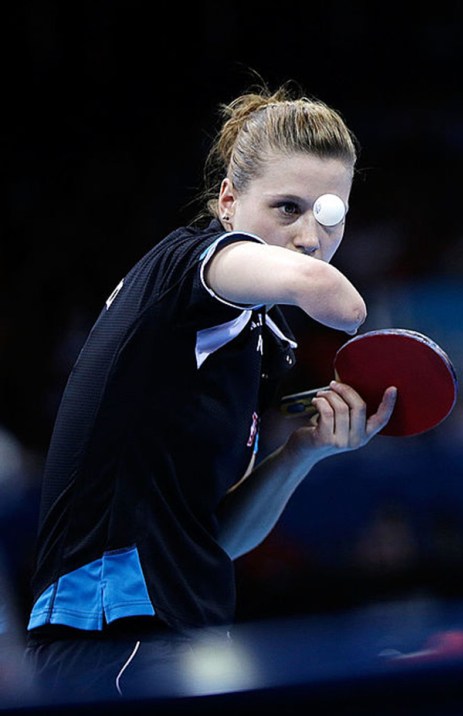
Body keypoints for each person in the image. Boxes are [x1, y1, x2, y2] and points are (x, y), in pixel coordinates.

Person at [24, 82, 397, 700]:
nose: (311, 237)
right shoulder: (192, 266)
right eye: (287, 208)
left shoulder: (258, 341)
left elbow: (219, 539)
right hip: (111, 630)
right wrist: (345, 302)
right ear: (228, 202)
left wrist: (302, 452)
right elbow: (338, 301)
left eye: (331, 216)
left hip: (187, 631)